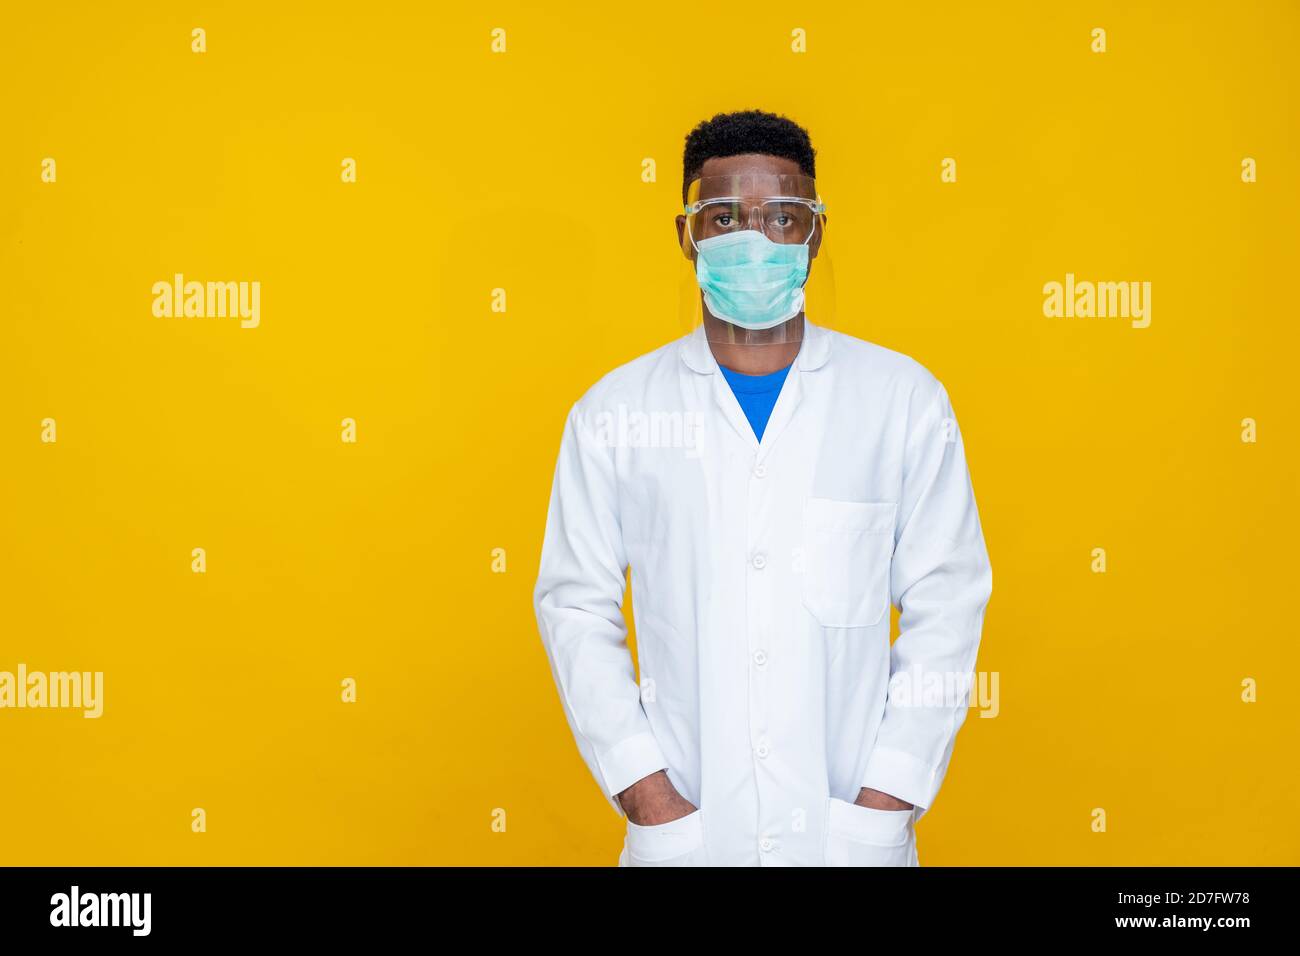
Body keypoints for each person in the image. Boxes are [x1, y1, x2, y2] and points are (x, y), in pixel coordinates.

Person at [533, 109, 993, 866]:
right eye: (724, 218)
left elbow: (947, 603)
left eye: (782, 216)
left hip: (849, 836)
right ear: (685, 234)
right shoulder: (614, 413)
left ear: (815, 232)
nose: (755, 240)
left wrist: (886, 800)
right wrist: (648, 795)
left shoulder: (902, 401)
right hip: (687, 833)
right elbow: (574, 607)